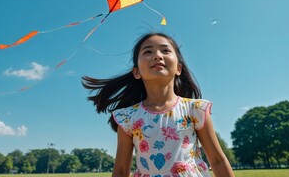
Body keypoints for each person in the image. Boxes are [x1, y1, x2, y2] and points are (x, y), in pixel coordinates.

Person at [83, 32, 234, 177]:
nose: (157, 56)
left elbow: (218, 161)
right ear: (136, 72)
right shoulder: (128, 118)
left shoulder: (195, 110)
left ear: (178, 69)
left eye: (165, 50)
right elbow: (121, 171)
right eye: (148, 52)